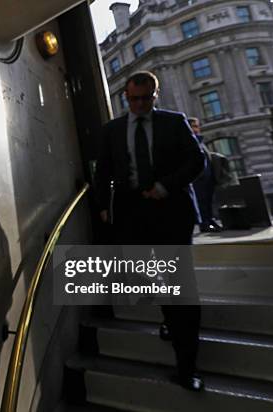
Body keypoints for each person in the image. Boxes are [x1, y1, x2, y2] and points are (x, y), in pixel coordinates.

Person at [95, 71, 206, 391]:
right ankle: (170, 318)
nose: (140, 104)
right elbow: (102, 170)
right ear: (125, 98)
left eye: (146, 98)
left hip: (171, 210)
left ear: (155, 95)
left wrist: (164, 186)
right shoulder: (113, 130)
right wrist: (103, 204)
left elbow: (197, 160)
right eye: (133, 99)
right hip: (132, 215)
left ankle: (188, 367)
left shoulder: (174, 122)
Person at [188, 117, 222, 232]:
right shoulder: (189, 141)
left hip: (208, 178)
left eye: (197, 126)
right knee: (201, 201)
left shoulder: (200, 141)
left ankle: (210, 220)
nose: (196, 129)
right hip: (198, 179)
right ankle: (204, 223)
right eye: (193, 126)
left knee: (209, 201)